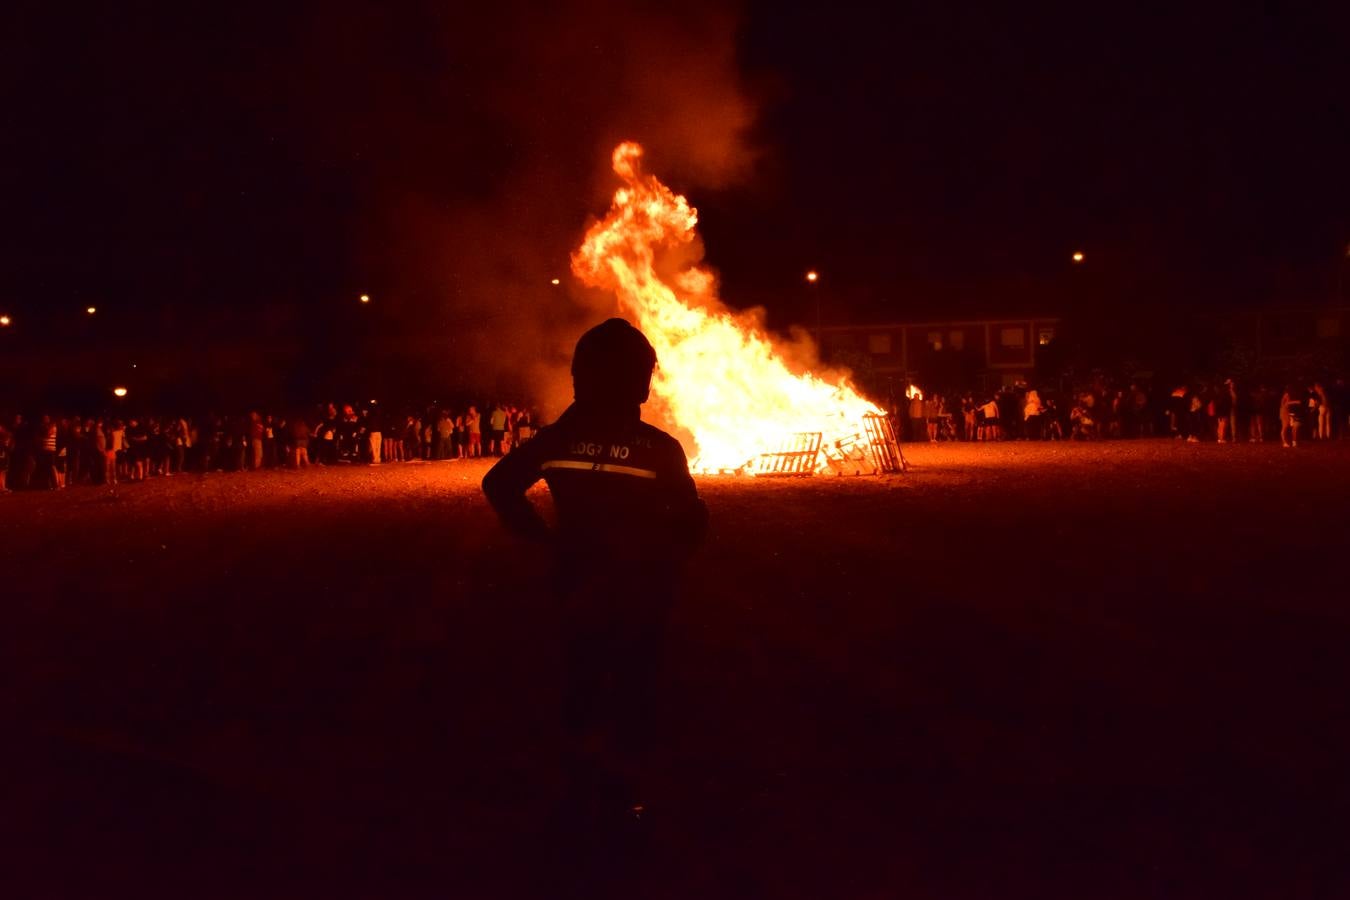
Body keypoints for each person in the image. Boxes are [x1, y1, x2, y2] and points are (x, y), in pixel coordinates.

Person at [482, 318, 707, 822]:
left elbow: (498, 483)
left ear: (580, 377)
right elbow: (692, 521)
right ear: (639, 383)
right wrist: (665, 562)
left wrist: (540, 537)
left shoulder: (556, 441)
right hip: (640, 592)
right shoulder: (658, 447)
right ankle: (626, 792)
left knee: (581, 680)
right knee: (635, 686)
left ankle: (578, 782)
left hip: (577, 583)